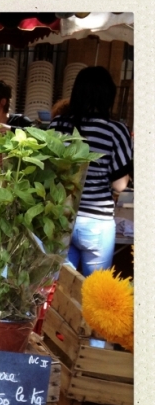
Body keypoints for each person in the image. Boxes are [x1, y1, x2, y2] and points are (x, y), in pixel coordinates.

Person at [49, 66, 134, 275]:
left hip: (62, 217)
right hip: (97, 222)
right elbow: (120, 184)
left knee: (59, 294)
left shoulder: (58, 125)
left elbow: (48, 170)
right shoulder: (115, 130)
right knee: (94, 293)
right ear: (108, 96)